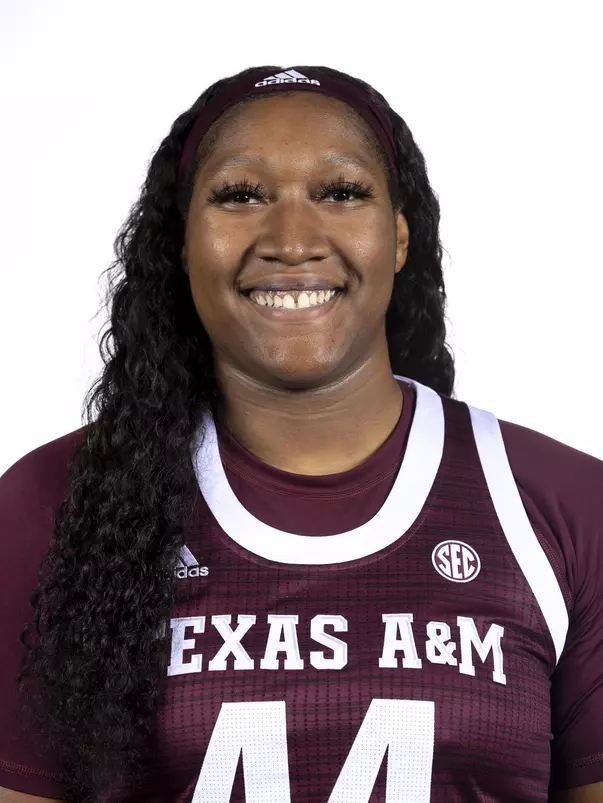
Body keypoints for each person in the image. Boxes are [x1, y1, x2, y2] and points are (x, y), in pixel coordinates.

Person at [0, 64, 601, 803]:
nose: (291, 239)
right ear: (181, 242)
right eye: (240, 195)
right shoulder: (55, 503)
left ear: (401, 234)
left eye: (341, 192)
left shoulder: (564, 505)